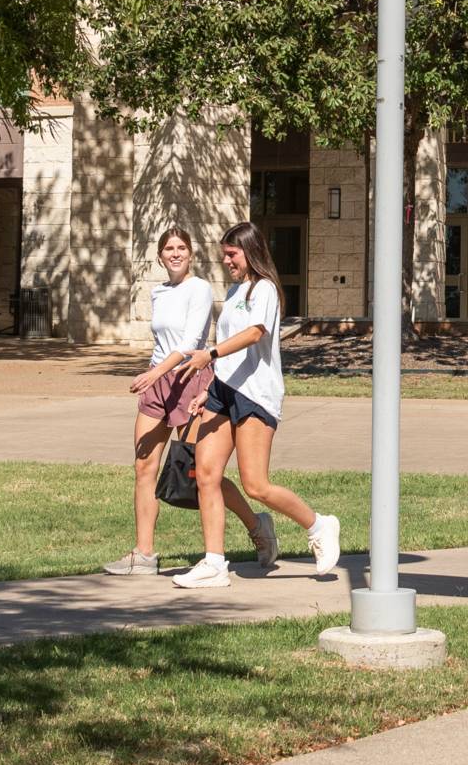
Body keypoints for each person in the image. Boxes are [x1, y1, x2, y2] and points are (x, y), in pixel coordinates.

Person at [165, 222, 341, 588]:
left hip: (255, 393)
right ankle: (214, 563)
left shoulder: (265, 290)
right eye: (224, 254)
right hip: (223, 391)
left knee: (256, 484)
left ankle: (319, 525)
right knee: (206, 474)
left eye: (232, 253)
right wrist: (209, 385)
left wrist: (208, 353)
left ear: (250, 250)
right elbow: (229, 345)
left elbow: (255, 333)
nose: (226, 260)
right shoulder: (233, 292)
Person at [107, 226, 269, 577]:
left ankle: (257, 527)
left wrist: (156, 374)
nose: (175, 253)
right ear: (160, 255)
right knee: (143, 467)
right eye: (169, 248)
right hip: (158, 381)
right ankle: (144, 554)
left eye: (182, 247)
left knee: (201, 471)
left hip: (188, 378)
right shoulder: (159, 292)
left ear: (191, 254)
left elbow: (190, 342)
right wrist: (154, 375)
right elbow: (162, 341)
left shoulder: (200, 289)